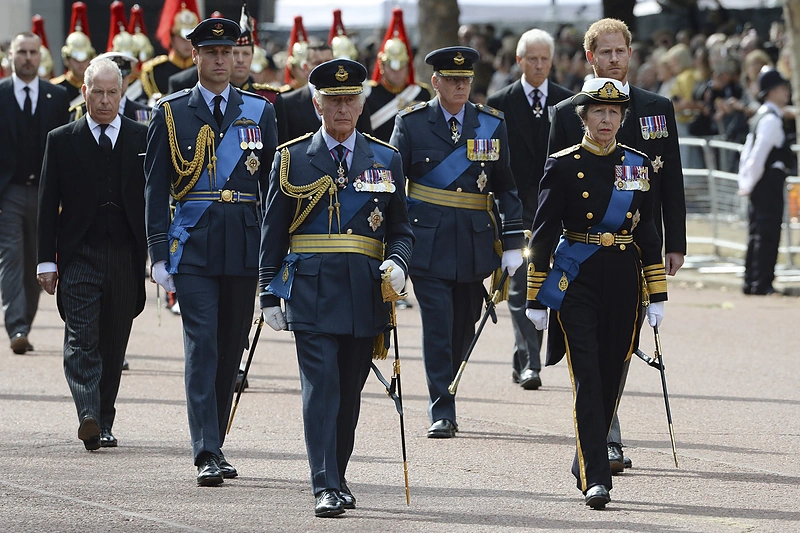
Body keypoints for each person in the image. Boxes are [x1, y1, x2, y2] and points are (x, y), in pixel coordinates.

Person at [258, 58, 413, 517]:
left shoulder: (386, 158)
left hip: (364, 290)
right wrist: (268, 290)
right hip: (310, 287)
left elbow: (402, 229)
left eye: (350, 100)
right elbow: (273, 229)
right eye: (333, 101)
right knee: (320, 387)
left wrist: (398, 262)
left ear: (362, 104)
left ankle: (338, 475)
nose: (342, 109)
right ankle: (323, 483)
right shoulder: (291, 158)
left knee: (349, 390)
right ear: (316, 104)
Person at [548, 17, 686, 473]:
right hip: (582, 256)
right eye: (604, 52)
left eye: (620, 51)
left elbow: (671, 184)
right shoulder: (567, 112)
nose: (613, 59)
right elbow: (553, 188)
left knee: (619, 348)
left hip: (633, 249)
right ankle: (602, 444)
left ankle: (598, 437)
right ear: (590, 57)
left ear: (630, 53)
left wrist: (673, 243)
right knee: (586, 354)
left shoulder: (656, 107)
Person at [144, 17, 278, 486]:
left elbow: (273, 191)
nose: (222, 60)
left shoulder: (260, 112)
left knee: (230, 348)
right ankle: (205, 449)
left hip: (243, 246)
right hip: (195, 245)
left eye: (229, 52)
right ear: (196, 56)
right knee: (202, 345)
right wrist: (158, 253)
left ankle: (215, 441)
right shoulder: (172, 111)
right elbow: (156, 185)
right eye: (212, 53)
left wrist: (275, 256)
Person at [527, 77, 667, 509]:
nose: (606, 120)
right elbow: (544, 230)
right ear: (583, 117)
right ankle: (596, 476)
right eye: (598, 112)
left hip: (625, 278)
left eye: (614, 113)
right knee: (587, 374)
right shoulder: (563, 164)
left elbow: (647, 228)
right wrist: (536, 295)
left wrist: (657, 291)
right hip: (577, 279)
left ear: (622, 118)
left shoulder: (637, 164)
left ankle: (585, 457)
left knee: (611, 375)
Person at [390, 47, 525, 438]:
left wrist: (513, 241)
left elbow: (506, 187)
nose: (460, 86)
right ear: (435, 82)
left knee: (463, 326)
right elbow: (395, 188)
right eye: (451, 79)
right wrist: (393, 245)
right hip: (427, 240)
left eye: (465, 80)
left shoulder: (490, 124)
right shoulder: (411, 124)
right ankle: (441, 408)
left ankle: (448, 384)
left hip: (473, 242)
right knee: (436, 325)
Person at [37, 58, 148, 451]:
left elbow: (153, 201)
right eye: (97, 92)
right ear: (84, 93)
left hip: (124, 254)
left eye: (112, 92)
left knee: (113, 342)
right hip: (79, 253)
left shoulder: (142, 138)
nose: (104, 101)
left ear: (122, 94)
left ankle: (104, 418)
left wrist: (157, 256)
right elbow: (47, 203)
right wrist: (46, 261)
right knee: (81, 340)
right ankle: (88, 414)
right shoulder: (61, 139)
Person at [487, 28, 573, 391]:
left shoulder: (568, 103)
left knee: (551, 288)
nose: (539, 65)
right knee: (522, 288)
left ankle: (523, 356)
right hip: (517, 211)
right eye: (532, 59)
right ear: (519, 61)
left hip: (559, 212)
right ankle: (531, 363)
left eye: (545, 59)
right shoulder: (499, 103)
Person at [0, 32, 69, 355]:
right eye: (21, 52)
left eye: (32, 52)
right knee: (12, 258)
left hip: (45, 194)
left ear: (41, 56)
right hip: (9, 192)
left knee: (35, 260)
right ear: (10, 56)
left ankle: (23, 322)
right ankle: (16, 326)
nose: (27, 58)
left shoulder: (56, 98)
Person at [738, 68, 792, 295]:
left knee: (758, 231)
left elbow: (748, 153)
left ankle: (752, 280)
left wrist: (747, 182)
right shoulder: (770, 119)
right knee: (767, 232)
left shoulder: (762, 115)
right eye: (781, 88)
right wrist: (749, 183)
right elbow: (758, 155)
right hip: (767, 182)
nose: (786, 92)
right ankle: (762, 282)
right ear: (771, 91)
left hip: (759, 182)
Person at [275, 43, 372, 144]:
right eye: (317, 63)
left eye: (327, 62)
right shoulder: (286, 102)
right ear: (305, 66)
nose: (323, 66)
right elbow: (283, 142)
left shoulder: (355, 97)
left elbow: (366, 137)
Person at [366, 7, 432, 143]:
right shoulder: (368, 95)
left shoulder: (422, 94)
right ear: (382, 66)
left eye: (402, 66)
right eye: (391, 67)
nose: (397, 72)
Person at [139, 0, 199, 102]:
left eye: (191, 38)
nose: (187, 42)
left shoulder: (203, 67)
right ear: (171, 36)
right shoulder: (154, 71)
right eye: (182, 38)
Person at [70, 52, 151, 124]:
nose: (120, 83)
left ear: (129, 76)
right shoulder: (80, 112)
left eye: (122, 78)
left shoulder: (145, 113)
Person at [51, 2, 96, 106]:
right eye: (76, 58)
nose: (80, 63)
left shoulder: (97, 86)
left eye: (84, 58)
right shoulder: (56, 87)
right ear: (67, 60)